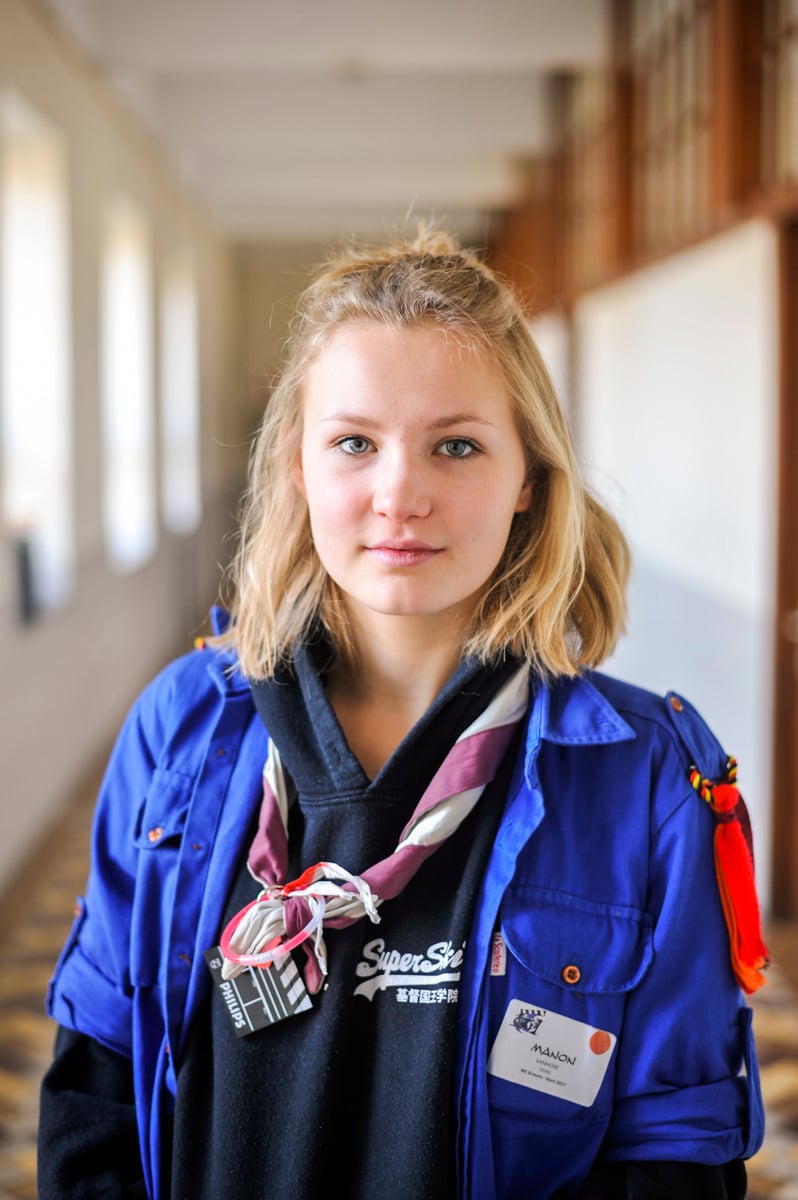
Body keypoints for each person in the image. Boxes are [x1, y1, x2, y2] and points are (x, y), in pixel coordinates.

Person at [39, 227, 766, 1199]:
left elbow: (674, 1149)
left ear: (527, 481)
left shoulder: (646, 777)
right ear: (300, 467)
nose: (400, 495)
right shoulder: (181, 731)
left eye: (456, 445)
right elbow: (97, 1085)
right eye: (354, 443)